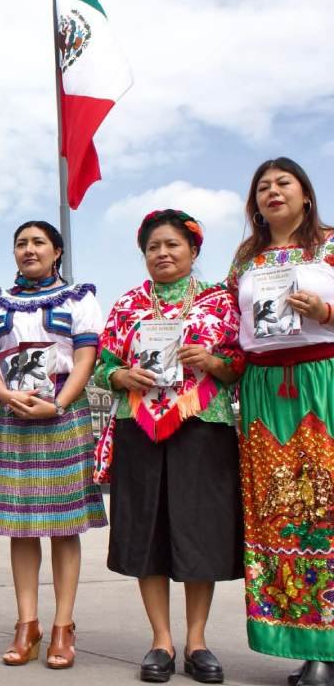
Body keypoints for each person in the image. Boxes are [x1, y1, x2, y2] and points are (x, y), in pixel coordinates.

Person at [97, 210, 243, 684]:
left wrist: (214, 361)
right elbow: (102, 366)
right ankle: (161, 640)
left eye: (172, 245)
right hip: (138, 427)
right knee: (148, 531)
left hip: (202, 426)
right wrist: (120, 375)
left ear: (193, 251)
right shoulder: (126, 306)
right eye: (153, 247)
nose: (162, 253)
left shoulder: (222, 302)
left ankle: (197, 641)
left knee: (199, 532)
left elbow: (241, 362)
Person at [0, 220, 107, 669]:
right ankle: (26, 623)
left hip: (61, 410)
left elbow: (86, 356)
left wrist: (60, 404)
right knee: (21, 524)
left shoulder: (80, 296)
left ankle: (63, 626)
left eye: (38, 243)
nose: (29, 250)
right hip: (12, 410)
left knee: (65, 524)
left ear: (57, 251)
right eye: (21, 244)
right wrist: (4, 393)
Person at [228, 158, 334, 686]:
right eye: (262, 187)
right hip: (264, 392)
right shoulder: (246, 259)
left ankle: (327, 651)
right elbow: (231, 328)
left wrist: (326, 312)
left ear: (306, 194)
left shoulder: (331, 245)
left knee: (324, 509)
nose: (273, 192)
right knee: (279, 515)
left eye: (283, 183)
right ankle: (306, 644)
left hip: (323, 381)